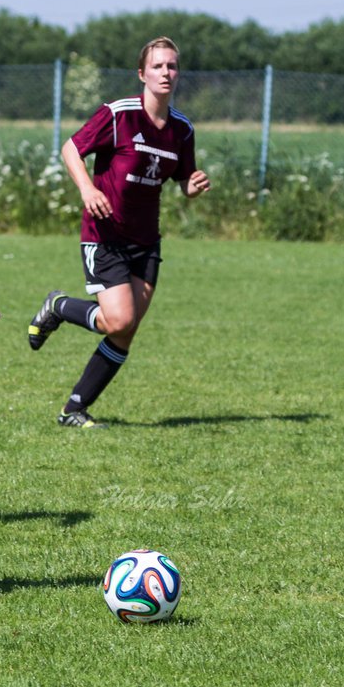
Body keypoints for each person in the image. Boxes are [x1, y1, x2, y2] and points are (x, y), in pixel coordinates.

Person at [28, 36, 211, 428]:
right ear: (142, 73)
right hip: (105, 234)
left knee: (126, 331)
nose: (167, 73)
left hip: (146, 242)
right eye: (159, 66)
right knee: (118, 321)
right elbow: (71, 149)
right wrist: (87, 189)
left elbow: (183, 181)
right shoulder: (118, 114)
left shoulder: (181, 130)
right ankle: (59, 306)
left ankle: (73, 409)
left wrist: (192, 186)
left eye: (173, 66)